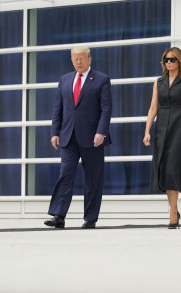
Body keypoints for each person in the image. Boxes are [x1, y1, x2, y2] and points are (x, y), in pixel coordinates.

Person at [44, 46, 112, 229]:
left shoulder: (101, 80)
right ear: (71, 60)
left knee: (92, 178)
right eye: (76, 59)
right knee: (65, 174)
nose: (79, 62)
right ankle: (59, 216)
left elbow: (106, 109)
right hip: (68, 137)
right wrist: (54, 132)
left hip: (93, 137)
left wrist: (101, 132)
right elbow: (57, 109)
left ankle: (90, 218)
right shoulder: (64, 80)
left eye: (82, 58)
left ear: (89, 59)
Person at [143, 47, 181, 229]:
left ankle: (172, 213)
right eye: (166, 60)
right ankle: (174, 208)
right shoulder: (158, 82)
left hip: (180, 125)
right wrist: (147, 131)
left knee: (172, 167)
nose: (168, 63)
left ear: (179, 61)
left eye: (172, 60)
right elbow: (153, 108)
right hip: (162, 126)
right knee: (164, 167)